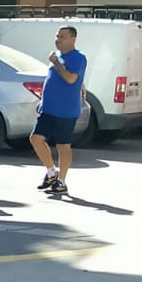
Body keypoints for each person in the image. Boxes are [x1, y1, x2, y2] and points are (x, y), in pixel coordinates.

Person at [31, 25, 86, 196]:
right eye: (57, 36)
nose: (58, 39)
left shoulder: (78, 57)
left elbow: (70, 78)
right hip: (48, 108)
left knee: (63, 145)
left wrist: (56, 62)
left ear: (72, 39)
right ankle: (51, 172)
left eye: (63, 36)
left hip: (66, 110)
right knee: (36, 139)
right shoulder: (58, 56)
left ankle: (61, 181)